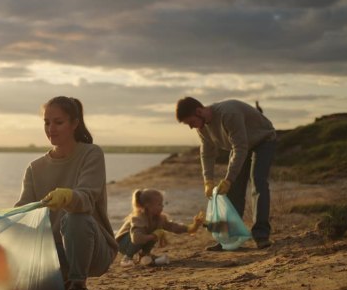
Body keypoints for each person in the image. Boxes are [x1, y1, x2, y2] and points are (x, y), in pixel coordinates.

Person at [14, 96, 118, 290]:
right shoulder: (34, 168)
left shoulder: (91, 153)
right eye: (46, 122)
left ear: (74, 123)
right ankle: (62, 287)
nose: (51, 128)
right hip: (54, 256)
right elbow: (23, 212)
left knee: (74, 217)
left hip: (92, 248)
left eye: (58, 122)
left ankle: (78, 287)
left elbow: (87, 199)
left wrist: (68, 197)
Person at [175, 97, 277, 251]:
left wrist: (228, 179)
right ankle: (229, 239)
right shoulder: (202, 127)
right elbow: (207, 153)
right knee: (233, 190)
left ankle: (261, 236)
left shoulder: (228, 114)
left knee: (258, 184)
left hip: (263, 140)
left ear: (199, 111)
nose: (190, 127)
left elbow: (240, 147)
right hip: (241, 145)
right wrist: (208, 180)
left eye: (190, 122)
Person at [115, 188, 204, 266]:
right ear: (148, 206)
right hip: (123, 243)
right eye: (159, 204)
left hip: (139, 239)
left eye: (162, 204)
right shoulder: (138, 218)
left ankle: (145, 254)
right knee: (150, 233)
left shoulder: (159, 218)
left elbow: (173, 226)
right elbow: (136, 239)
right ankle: (127, 258)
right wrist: (154, 235)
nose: (162, 206)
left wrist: (192, 227)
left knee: (156, 232)